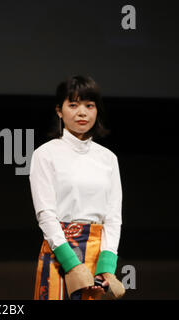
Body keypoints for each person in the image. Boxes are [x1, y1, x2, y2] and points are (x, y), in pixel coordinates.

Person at [30, 75, 125, 300]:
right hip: (58, 253)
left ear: (97, 111)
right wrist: (72, 264)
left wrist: (107, 266)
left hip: (98, 256)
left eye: (89, 105)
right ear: (59, 111)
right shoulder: (45, 154)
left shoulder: (108, 158)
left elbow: (113, 217)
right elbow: (45, 215)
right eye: (73, 105)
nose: (82, 112)